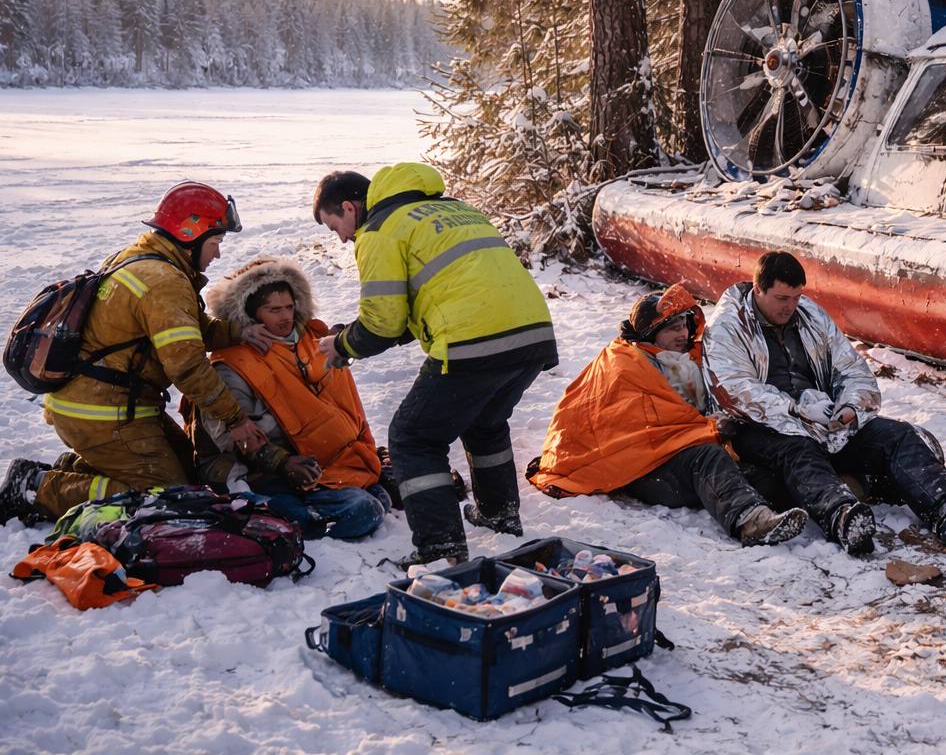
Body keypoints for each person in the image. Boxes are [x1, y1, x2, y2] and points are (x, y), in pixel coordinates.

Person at [312, 164, 558, 566]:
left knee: (412, 438)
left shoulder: (379, 230)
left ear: (349, 207)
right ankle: (499, 514)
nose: (341, 238)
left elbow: (383, 322)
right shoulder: (454, 209)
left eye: (333, 225)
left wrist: (343, 344)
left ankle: (440, 547)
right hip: (531, 334)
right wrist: (355, 333)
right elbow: (434, 300)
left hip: (471, 341)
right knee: (485, 421)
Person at [704, 251, 946, 556]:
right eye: (782, 299)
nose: (790, 307)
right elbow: (734, 391)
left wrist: (850, 407)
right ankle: (843, 517)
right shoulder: (728, 325)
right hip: (757, 425)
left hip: (821, 416)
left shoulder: (809, 315)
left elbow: (851, 368)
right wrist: (795, 408)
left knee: (895, 436)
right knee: (799, 449)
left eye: (796, 297)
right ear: (759, 290)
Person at [0, 182, 276, 525]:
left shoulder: (140, 258)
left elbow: (191, 331)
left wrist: (240, 331)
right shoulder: (164, 282)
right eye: (216, 242)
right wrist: (235, 420)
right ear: (190, 234)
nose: (217, 254)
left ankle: (77, 470)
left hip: (106, 405)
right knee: (164, 496)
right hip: (103, 413)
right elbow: (187, 365)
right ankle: (37, 488)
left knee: (189, 475)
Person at [527, 285, 807, 547]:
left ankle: (821, 504)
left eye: (684, 325)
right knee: (706, 457)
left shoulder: (691, 358)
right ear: (651, 333)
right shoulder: (626, 366)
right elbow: (645, 427)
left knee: (760, 473)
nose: (682, 333)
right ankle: (751, 523)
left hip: (686, 452)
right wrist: (710, 428)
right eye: (672, 328)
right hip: (645, 468)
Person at [189, 257, 390, 541]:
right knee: (364, 510)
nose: (285, 317)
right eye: (273, 310)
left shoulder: (310, 341)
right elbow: (234, 439)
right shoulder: (230, 365)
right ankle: (290, 523)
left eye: (289, 307)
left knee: (379, 495)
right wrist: (284, 464)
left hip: (312, 462)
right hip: (257, 471)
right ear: (251, 314)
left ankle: (311, 510)